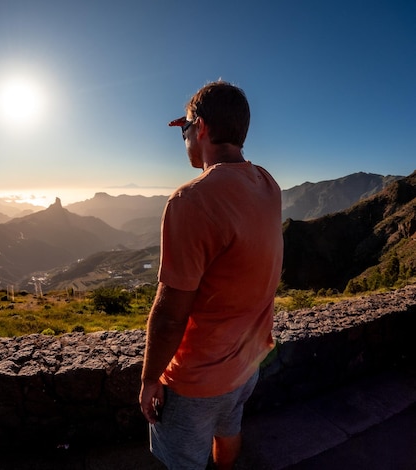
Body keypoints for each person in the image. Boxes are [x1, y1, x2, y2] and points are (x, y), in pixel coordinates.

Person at [139, 80, 283, 470]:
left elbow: (170, 315)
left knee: (181, 460)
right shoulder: (267, 184)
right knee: (229, 429)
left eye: (185, 129)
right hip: (248, 364)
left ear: (200, 128)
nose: (184, 138)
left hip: (197, 380)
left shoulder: (191, 200)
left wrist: (150, 380)